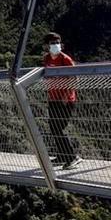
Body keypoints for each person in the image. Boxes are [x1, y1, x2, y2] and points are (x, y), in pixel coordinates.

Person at [42, 33, 82, 169]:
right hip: (53, 98)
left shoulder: (66, 59)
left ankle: (73, 157)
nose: (56, 45)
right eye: (53, 43)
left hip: (66, 100)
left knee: (59, 127)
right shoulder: (47, 58)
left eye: (57, 42)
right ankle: (62, 155)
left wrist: (66, 95)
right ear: (47, 45)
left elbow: (74, 78)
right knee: (53, 127)